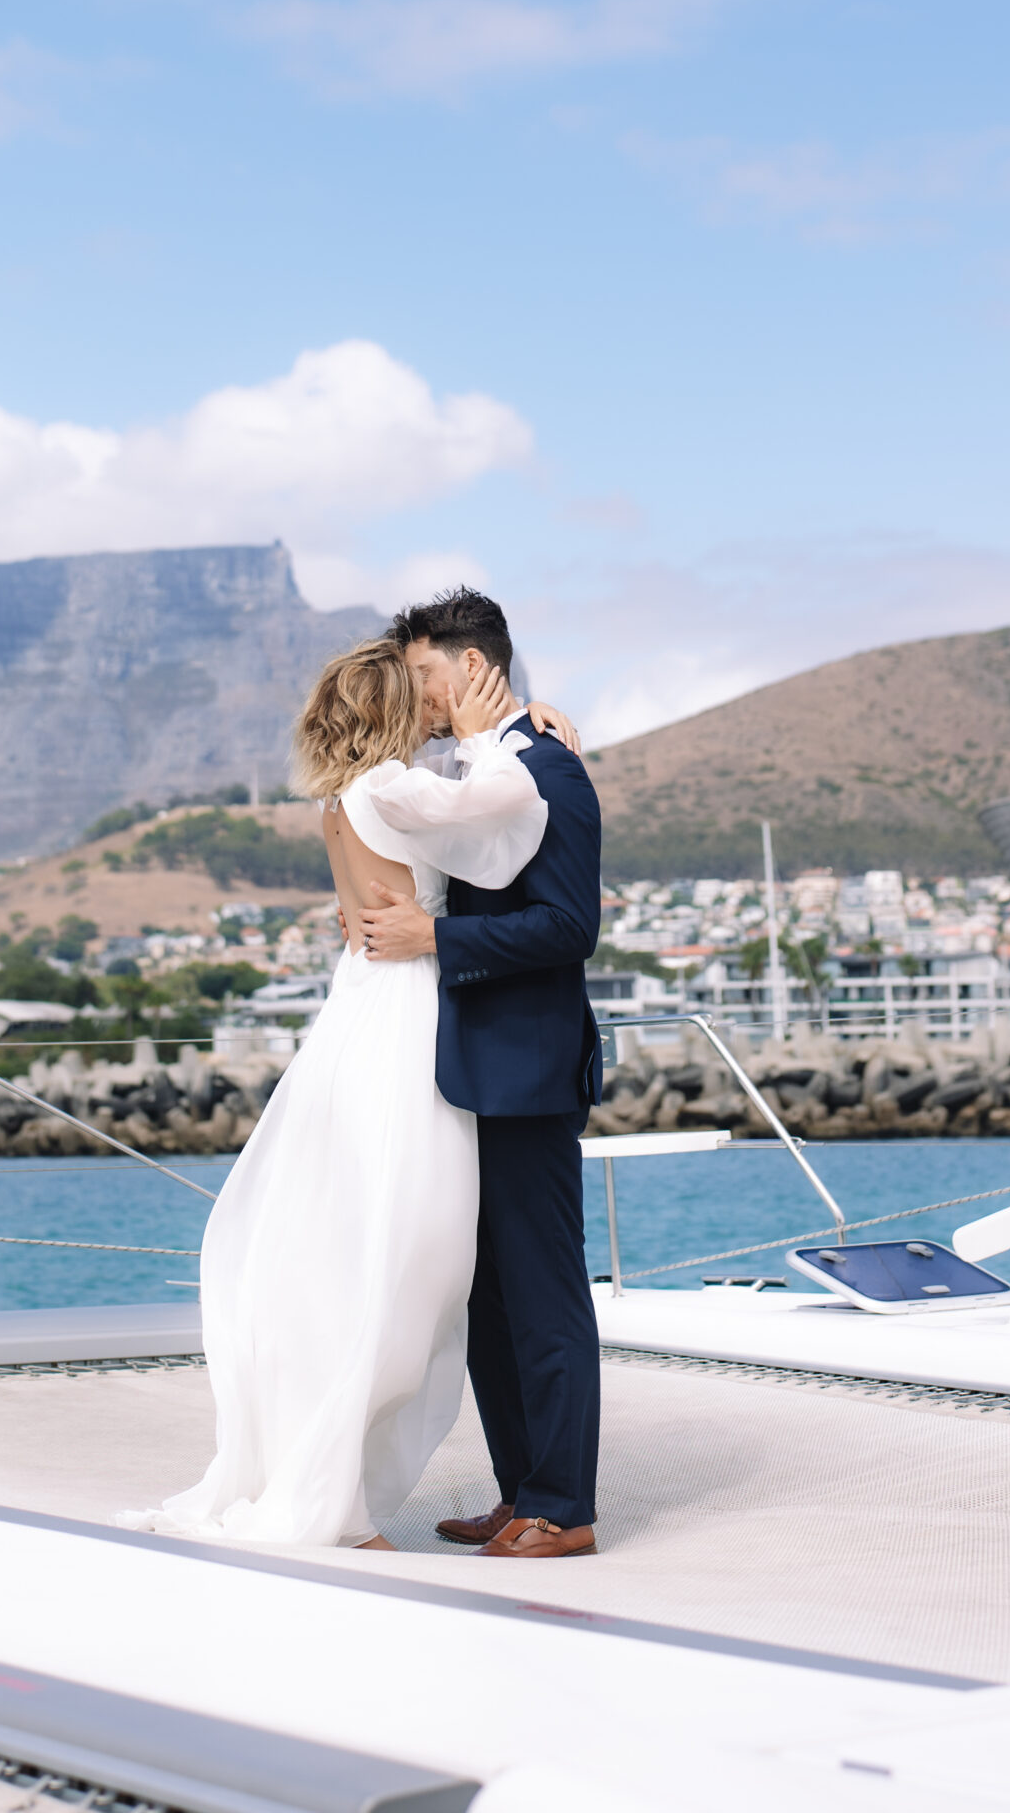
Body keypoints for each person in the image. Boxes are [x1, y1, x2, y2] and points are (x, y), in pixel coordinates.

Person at [120, 633, 573, 1549]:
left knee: (379, 1244)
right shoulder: (390, 788)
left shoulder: (344, 795)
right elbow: (505, 808)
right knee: (412, 1256)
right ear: (390, 709)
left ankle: (343, 1487)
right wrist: (512, 736)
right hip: (407, 1011)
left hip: (359, 1003)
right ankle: (336, 1496)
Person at [360, 587, 604, 1561]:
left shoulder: (553, 770)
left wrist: (437, 934)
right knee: (488, 1294)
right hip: (463, 1077)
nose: (415, 694)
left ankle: (567, 1508)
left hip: (532, 1072)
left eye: (423, 673)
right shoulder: (462, 772)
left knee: (543, 1293)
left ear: (469, 666)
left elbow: (568, 927)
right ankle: (521, 1491)